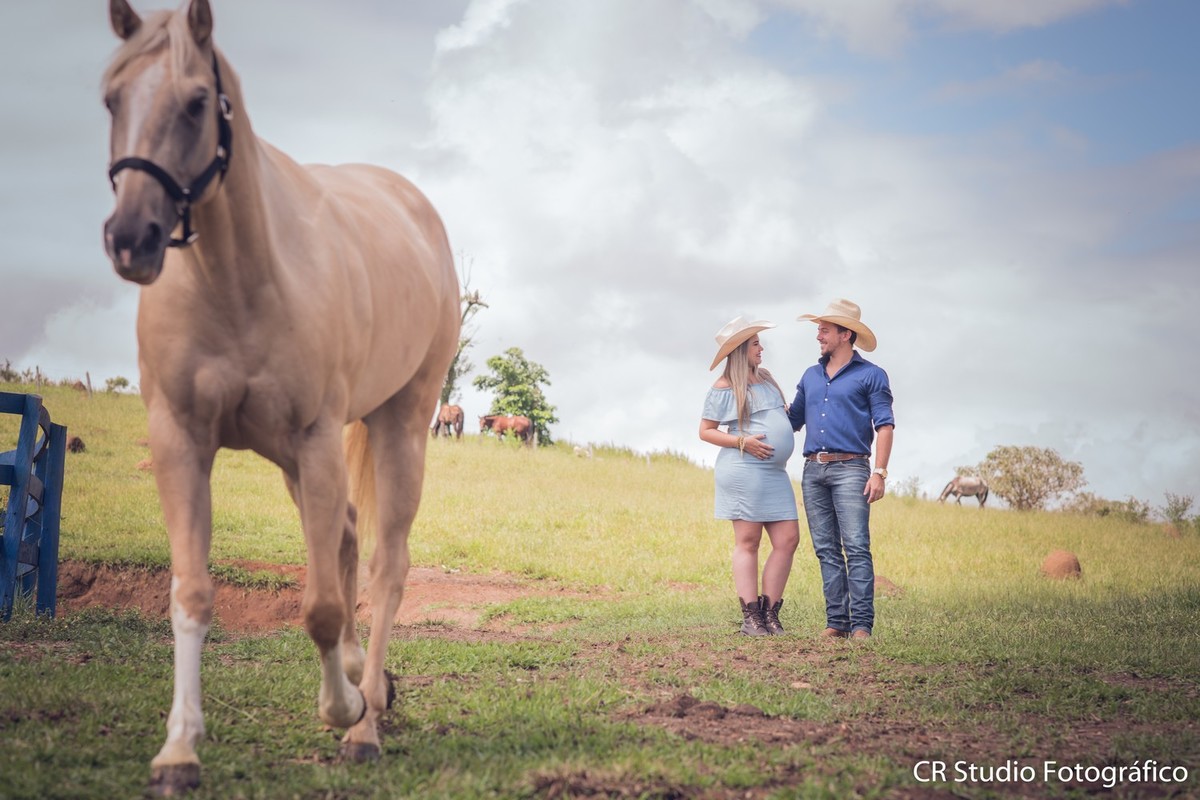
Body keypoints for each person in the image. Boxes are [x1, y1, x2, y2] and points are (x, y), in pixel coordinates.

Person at [787, 299, 894, 640]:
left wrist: (879, 472)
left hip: (852, 469)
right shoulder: (810, 375)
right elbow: (792, 421)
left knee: (857, 546)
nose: (818, 335)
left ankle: (861, 625)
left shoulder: (871, 376)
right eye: (818, 328)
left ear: (845, 334)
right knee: (826, 549)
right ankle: (837, 623)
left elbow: (885, 426)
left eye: (825, 329)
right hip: (812, 471)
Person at [700, 316, 801, 636]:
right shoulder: (724, 386)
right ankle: (751, 618)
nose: (761, 348)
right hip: (744, 469)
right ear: (741, 350)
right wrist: (741, 441)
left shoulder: (767, 378)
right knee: (748, 541)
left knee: (788, 539)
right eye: (756, 343)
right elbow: (706, 431)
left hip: (774, 472)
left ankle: (770, 613)